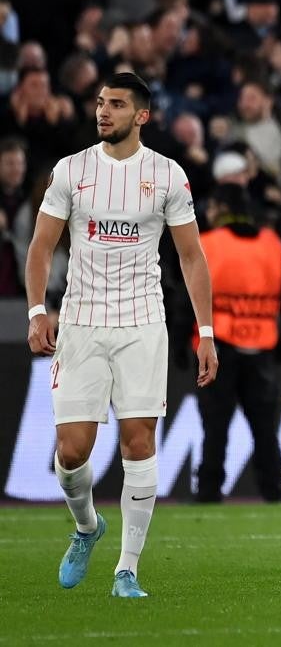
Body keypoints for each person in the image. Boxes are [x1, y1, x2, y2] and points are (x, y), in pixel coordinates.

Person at [24, 72, 218, 599]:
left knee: (139, 443)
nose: (103, 112)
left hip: (141, 324)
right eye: (101, 102)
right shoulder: (71, 171)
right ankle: (88, 527)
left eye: (116, 104)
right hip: (81, 323)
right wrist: (38, 311)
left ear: (142, 116)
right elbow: (41, 247)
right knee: (71, 451)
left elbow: (192, 256)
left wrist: (206, 331)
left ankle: (126, 570)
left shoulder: (168, 175)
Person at [195, 184, 281, 503]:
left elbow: (189, 299)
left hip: (218, 346)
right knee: (265, 427)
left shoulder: (207, 244)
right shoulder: (271, 243)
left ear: (222, 208)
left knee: (215, 425)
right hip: (262, 346)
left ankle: (209, 489)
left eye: (212, 206)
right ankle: (274, 488)